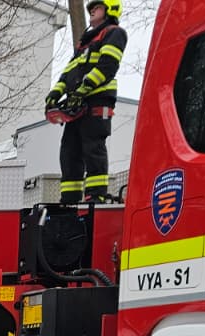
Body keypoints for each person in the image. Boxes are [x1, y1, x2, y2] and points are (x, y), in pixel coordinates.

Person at [46, 0, 128, 204]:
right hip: (78, 103)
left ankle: (95, 195)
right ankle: (70, 199)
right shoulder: (84, 43)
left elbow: (107, 66)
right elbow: (68, 72)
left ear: (110, 10)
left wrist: (85, 87)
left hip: (98, 100)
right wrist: (55, 94)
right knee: (69, 151)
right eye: (90, 8)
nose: (92, 11)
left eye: (97, 7)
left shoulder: (114, 33)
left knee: (93, 147)